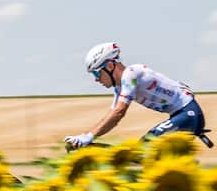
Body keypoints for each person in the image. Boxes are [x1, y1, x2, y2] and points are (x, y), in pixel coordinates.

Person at [64, 42, 206, 149]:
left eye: (96, 73)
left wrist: (89, 136)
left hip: (188, 113)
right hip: (182, 115)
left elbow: (119, 112)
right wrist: (85, 136)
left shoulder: (131, 74)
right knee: (144, 153)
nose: (96, 79)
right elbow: (112, 118)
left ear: (109, 66)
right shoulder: (120, 87)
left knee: (143, 150)